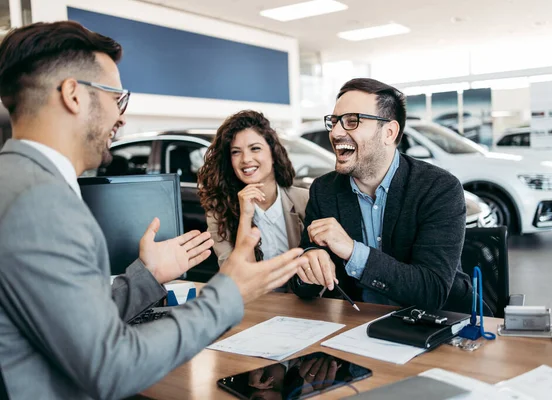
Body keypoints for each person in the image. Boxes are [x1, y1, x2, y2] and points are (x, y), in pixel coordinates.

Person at [0, 21, 307, 399]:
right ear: (73, 95)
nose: (121, 118)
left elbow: (72, 320)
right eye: (117, 98)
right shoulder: (41, 202)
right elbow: (111, 366)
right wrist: (228, 294)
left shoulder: (15, 182)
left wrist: (148, 276)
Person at [289, 78, 478, 314]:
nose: (336, 132)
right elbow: (303, 284)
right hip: (359, 324)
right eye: (335, 121)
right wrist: (310, 265)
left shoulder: (439, 188)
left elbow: (432, 291)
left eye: (351, 121)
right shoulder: (324, 190)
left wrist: (352, 250)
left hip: (442, 324)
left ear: (389, 132)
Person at [198, 110, 309, 266]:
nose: (246, 159)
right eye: (236, 152)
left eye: (255, 148)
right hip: (254, 291)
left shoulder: (305, 200)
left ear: (273, 153)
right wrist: (245, 217)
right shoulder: (219, 211)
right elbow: (239, 276)